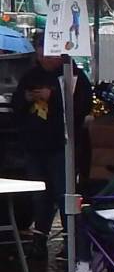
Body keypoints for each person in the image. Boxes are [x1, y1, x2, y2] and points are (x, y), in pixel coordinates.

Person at [14, 32, 92, 260]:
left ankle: (72, 244)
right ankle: (39, 239)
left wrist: (54, 96)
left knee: (63, 194)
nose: (45, 58)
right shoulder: (30, 75)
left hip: (62, 146)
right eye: (41, 53)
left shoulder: (73, 74)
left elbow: (83, 106)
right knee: (39, 196)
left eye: (49, 53)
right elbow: (16, 104)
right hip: (34, 146)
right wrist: (26, 98)